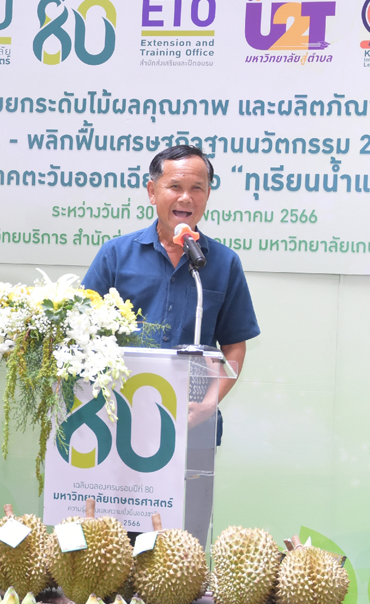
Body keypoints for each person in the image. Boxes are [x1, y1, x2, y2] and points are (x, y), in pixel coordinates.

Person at [82, 145, 259, 545]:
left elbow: (234, 347)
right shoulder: (117, 255)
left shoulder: (223, 263)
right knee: (116, 540)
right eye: (174, 186)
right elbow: (82, 333)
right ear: (152, 191)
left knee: (184, 542)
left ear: (208, 196)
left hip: (190, 425)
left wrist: (211, 402)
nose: (186, 197)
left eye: (198, 188)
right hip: (120, 424)